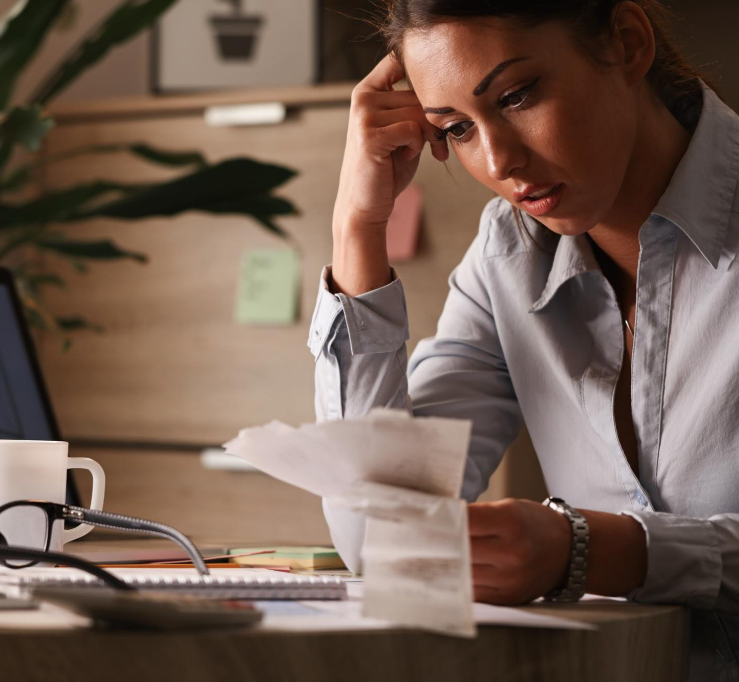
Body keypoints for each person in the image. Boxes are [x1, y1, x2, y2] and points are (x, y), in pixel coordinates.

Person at [310, 0, 738, 678]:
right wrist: (357, 230)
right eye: (456, 129)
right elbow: (384, 538)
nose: (500, 161)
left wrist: (595, 549)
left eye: (516, 95)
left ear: (627, 43)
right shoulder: (506, 257)